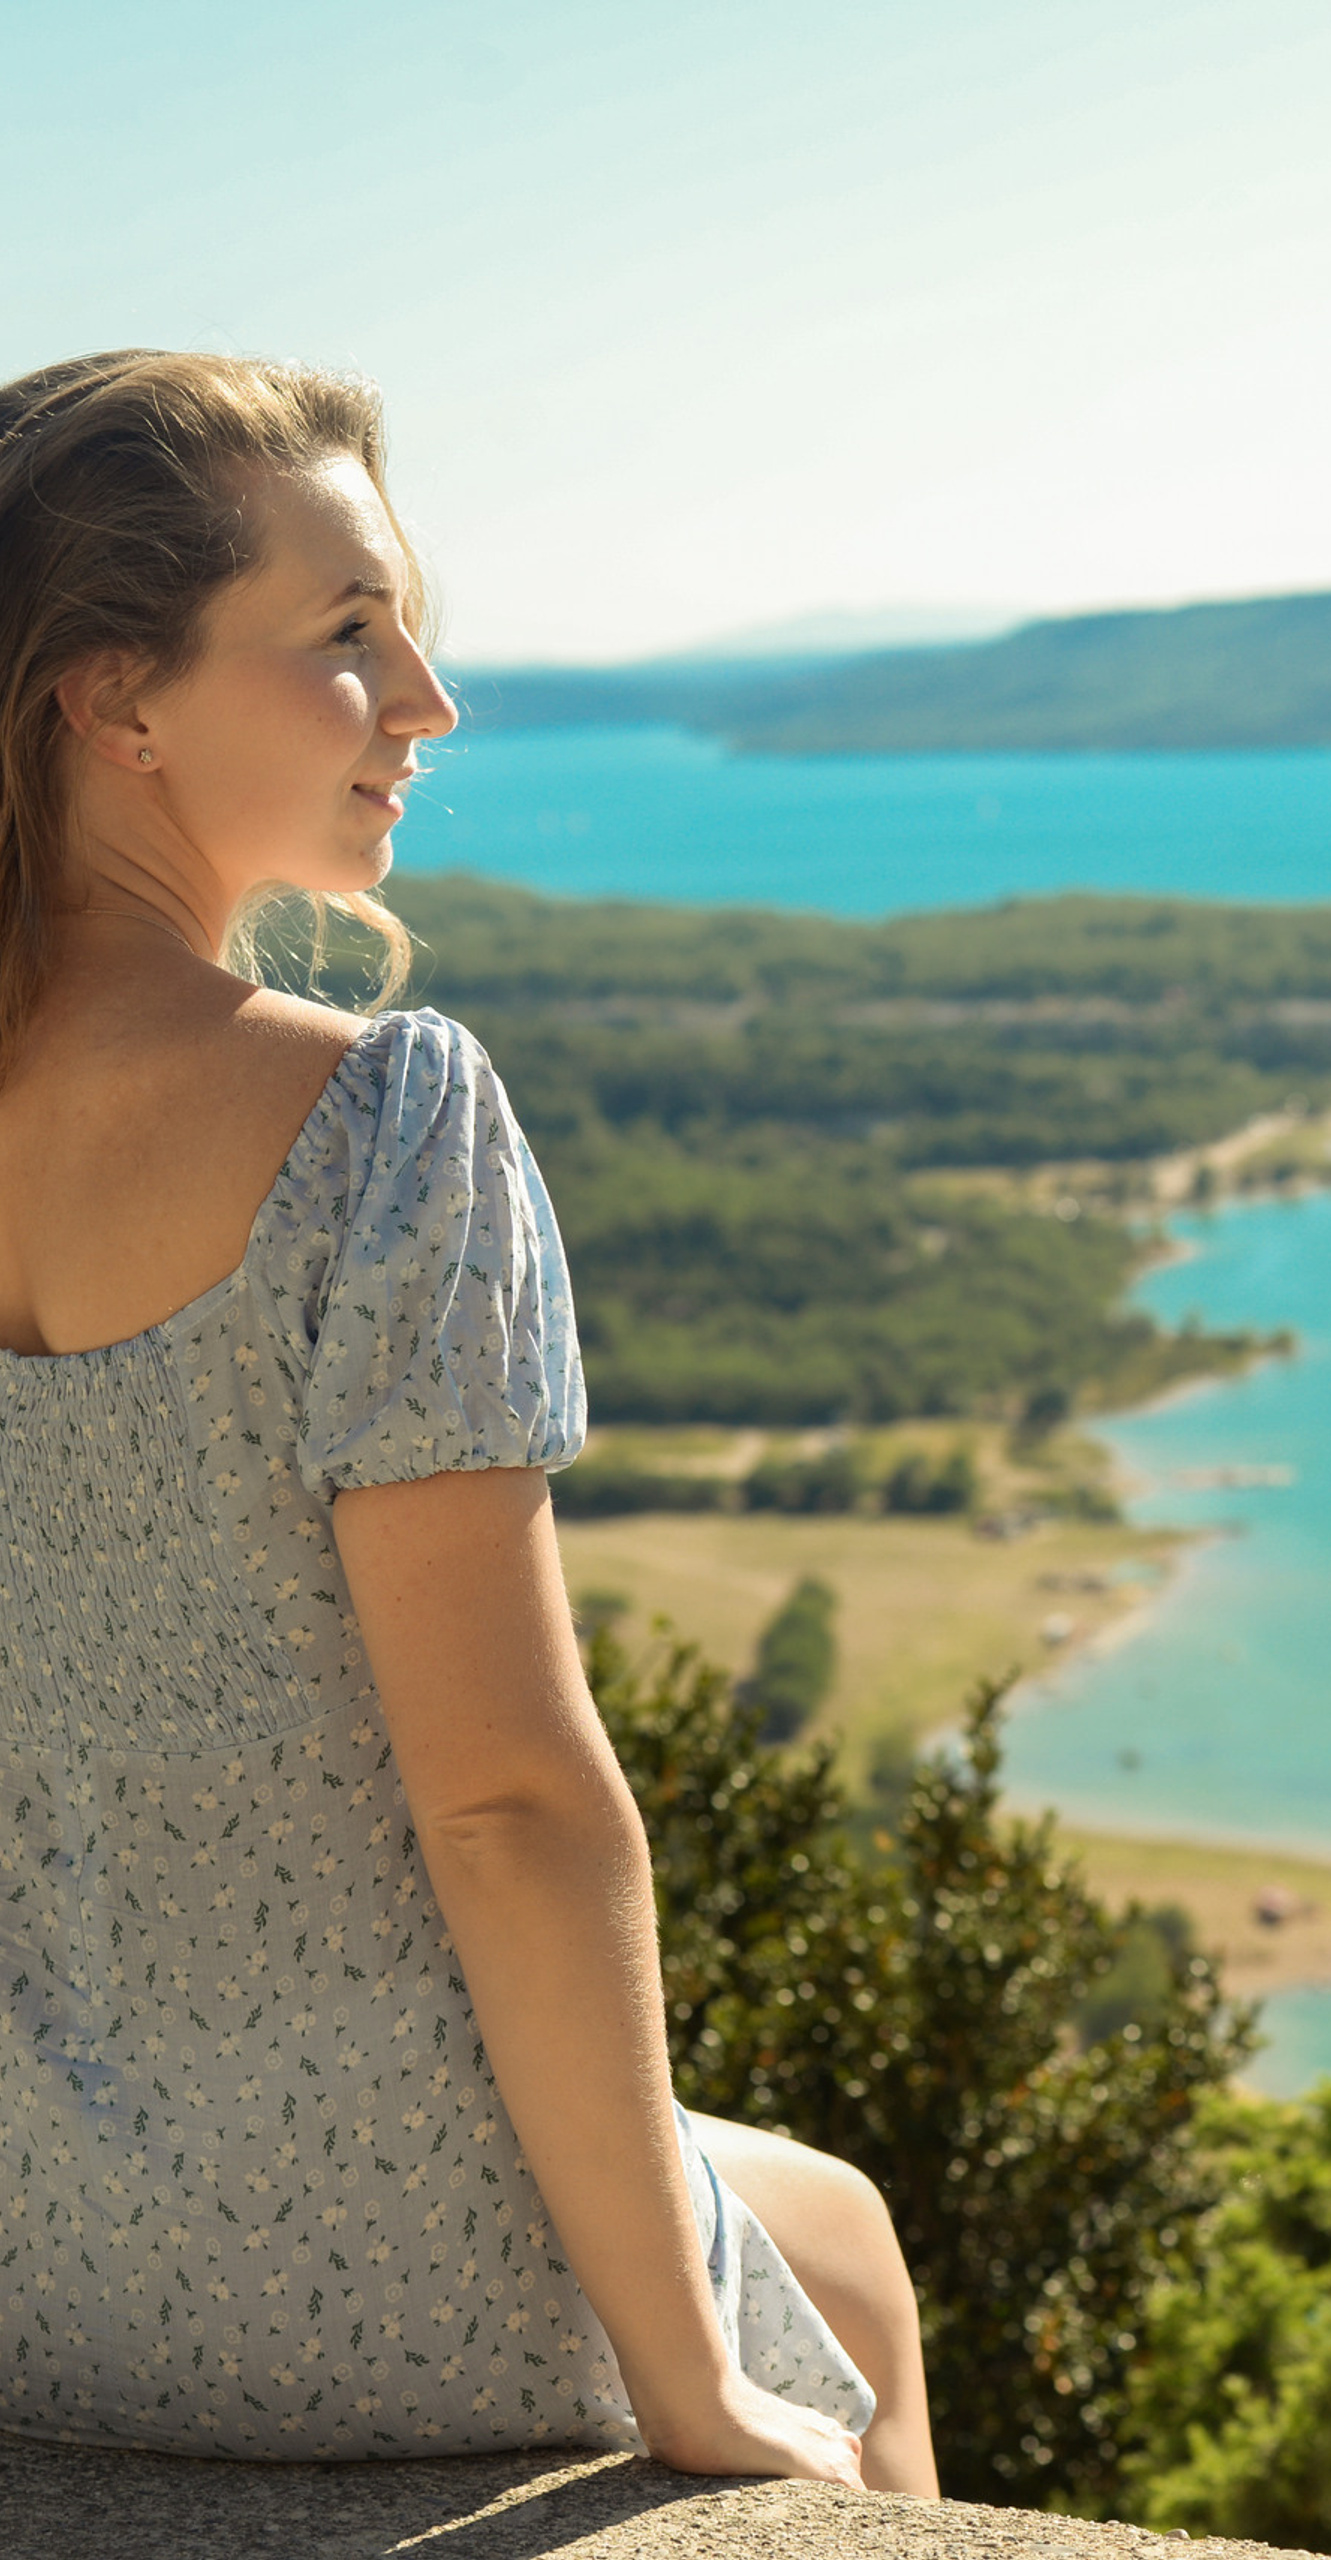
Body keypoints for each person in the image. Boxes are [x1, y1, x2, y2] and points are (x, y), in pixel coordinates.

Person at [0, 349, 936, 2492]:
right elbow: (508, 1800)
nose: (425, 696)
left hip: (28, 2255)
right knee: (852, 2261)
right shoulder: (380, 1125)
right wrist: (683, 2373)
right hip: (360, 2264)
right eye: (345, 636)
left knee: (840, 2232)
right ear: (111, 695)